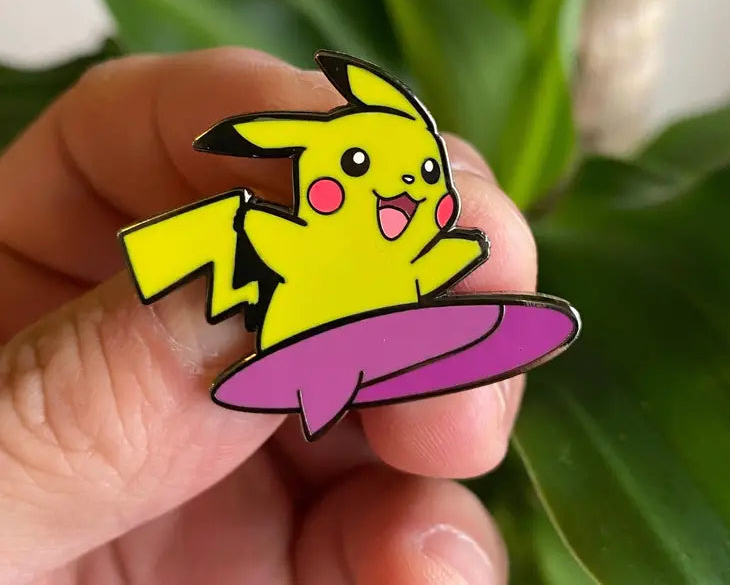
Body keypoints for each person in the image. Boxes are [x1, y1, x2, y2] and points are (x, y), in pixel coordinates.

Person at [0, 49, 537, 585]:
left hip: (364, 337)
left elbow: (433, 264)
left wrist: (462, 257)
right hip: (292, 333)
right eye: (358, 163)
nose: (410, 184)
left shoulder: (407, 249)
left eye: (427, 172)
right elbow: (272, 241)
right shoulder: (279, 232)